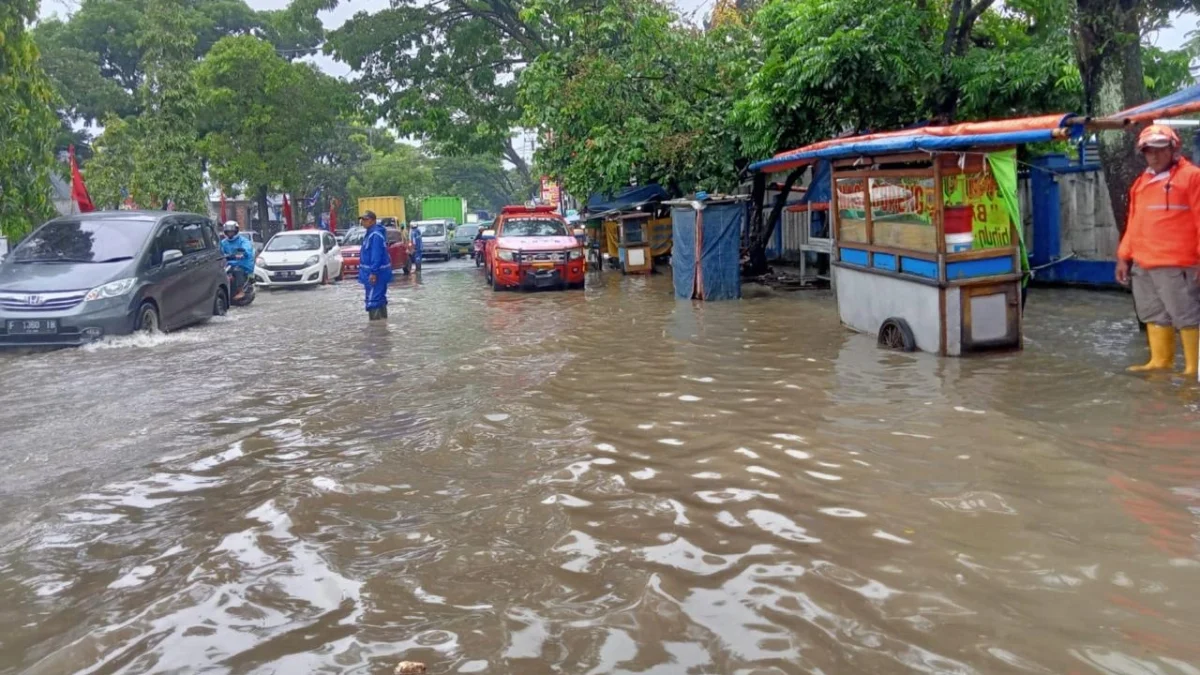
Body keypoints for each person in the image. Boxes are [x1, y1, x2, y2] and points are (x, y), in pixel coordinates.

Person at [1115, 124, 1200, 376]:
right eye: (1149, 150)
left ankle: (1193, 369)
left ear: (1174, 148)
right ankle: (1160, 362)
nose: (1154, 155)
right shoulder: (1141, 182)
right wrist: (1124, 256)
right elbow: (1134, 222)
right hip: (1144, 263)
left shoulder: (1192, 177)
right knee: (1154, 314)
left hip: (1179, 263)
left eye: (1160, 149)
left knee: (1187, 315)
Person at [358, 211, 393, 320]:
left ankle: (376, 332)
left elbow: (376, 255)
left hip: (376, 274)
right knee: (379, 299)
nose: (362, 222)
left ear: (372, 220)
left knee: (373, 301)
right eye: (362, 219)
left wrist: (374, 273)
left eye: (365, 219)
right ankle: (382, 326)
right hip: (374, 272)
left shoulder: (375, 235)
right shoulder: (370, 233)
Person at [220, 221, 255, 301]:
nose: (230, 233)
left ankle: (241, 291)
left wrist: (242, 253)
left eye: (232, 232)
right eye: (228, 232)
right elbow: (220, 252)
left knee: (237, 270)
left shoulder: (243, 241)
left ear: (236, 231)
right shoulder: (223, 242)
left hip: (243, 263)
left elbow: (247, 249)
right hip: (228, 264)